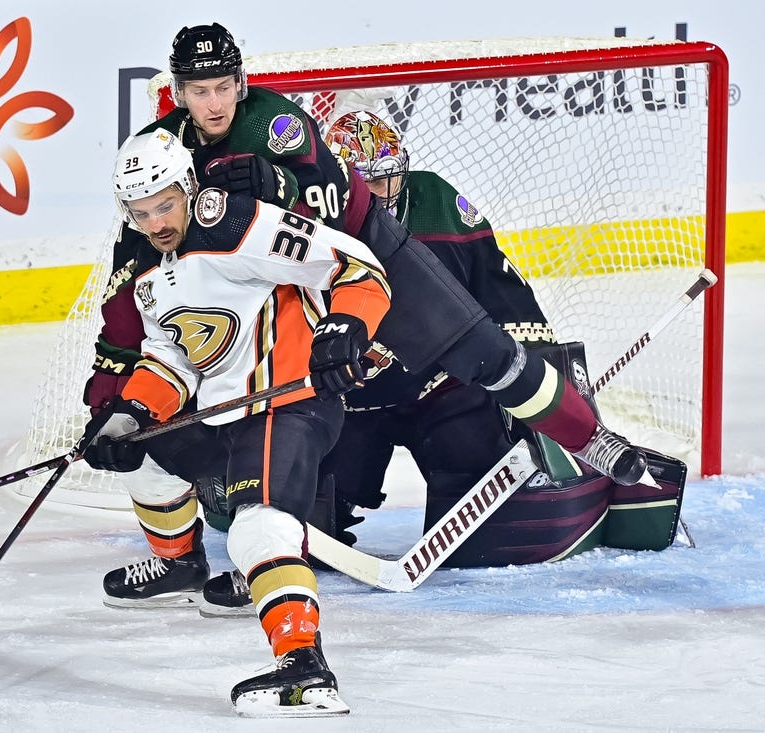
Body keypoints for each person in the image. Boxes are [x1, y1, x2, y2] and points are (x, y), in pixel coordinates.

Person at [85, 23, 654, 609]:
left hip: (366, 253)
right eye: (198, 90)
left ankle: (592, 440)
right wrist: (111, 392)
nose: (213, 102)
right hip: (298, 277)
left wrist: (275, 183)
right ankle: (259, 551)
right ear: (178, 91)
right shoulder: (162, 156)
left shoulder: (275, 123)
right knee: (272, 426)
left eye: (222, 86)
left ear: (241, 82)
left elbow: (333, 205)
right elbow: (134, 280)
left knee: (488, 358)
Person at [80, 128, 390, 715]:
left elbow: (357, 267)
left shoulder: (235, 224)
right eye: (140, 212)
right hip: (223, 413)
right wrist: (131, 411)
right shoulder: (148, 268)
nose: (156, 221)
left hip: (286, 401)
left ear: (188, 186)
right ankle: (180, 565)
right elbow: (173, 355)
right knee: (144, 455)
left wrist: (346, 325)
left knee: (256, 528)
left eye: (165, 203)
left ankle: (304, 670)